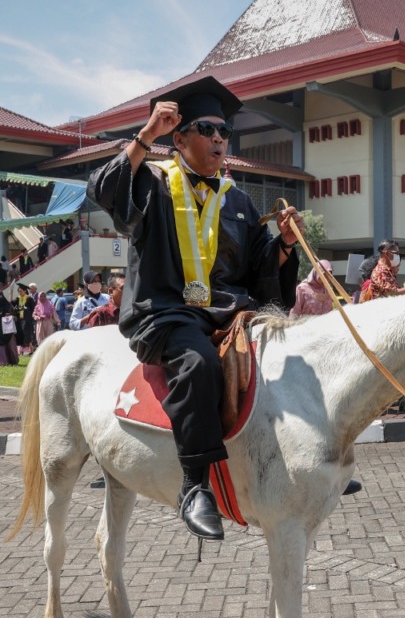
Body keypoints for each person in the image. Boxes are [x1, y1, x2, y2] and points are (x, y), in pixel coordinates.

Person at [87, 74, 302, 541]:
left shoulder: (239, 201)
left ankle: (302, 457)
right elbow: (102, 190)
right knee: (199, 362)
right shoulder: (151, 183)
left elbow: (260, 269)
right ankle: (196, 485)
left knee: (287, 352)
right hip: (166, 311)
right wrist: (145, 136)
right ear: (179, 138)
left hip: (228, 311)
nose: (219, 138)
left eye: (225, 131)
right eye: (207, 129)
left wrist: (284, 245)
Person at [0, 270, 21, 366]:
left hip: (8, 331)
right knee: (0, 347)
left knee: (10, 346)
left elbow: (15, 315)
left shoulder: (8, 305)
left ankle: (13, 360)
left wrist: (11, 315)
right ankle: (1, 362)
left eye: (0, 296)